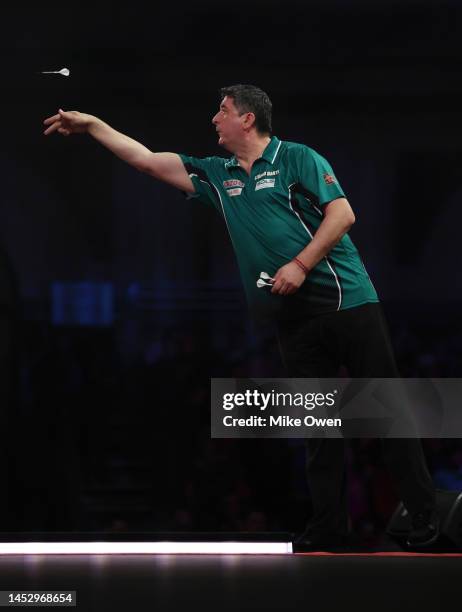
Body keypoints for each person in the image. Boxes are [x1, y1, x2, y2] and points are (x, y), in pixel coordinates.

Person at [43, 84, 438, 549]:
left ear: (247, 119)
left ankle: (425, 520)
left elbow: (343, 215)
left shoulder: (298, 158)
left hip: (348, 302)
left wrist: (300, 264)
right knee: (318, 429)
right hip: (292, 319)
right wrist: (91, 124)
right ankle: (330, 529)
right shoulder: (217, 175)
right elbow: (146, 159)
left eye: (222, 111)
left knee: (387, 414)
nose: (214, 119)